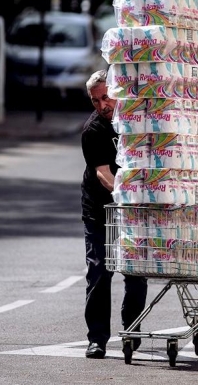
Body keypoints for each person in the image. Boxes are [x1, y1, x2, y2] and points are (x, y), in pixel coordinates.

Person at [80, 69, 147, 359]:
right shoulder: (93, 130)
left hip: (132, 212)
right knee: (99, 272)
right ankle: (97, 339)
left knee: (135, 274)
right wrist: (125, 196)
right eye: (96, 101)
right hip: (100, 210)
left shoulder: (134, 121)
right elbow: (103, 174)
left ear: (118, 93)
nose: (102, 105)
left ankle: (131, 330)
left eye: (106, 97)